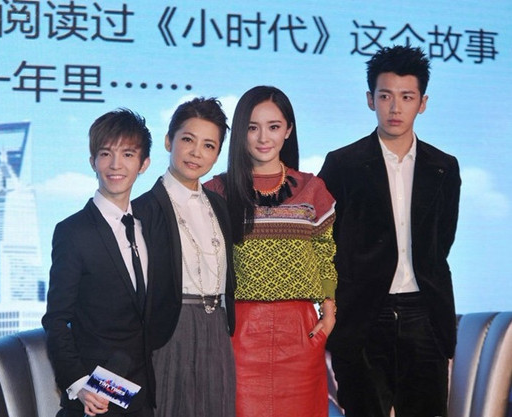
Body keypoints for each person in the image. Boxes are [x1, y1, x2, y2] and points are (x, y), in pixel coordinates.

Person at [318, 45, 461, 417]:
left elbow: (441, 242)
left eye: (407, 97)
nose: (395, 107)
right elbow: (322, 242)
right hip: (363, 315)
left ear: (422, 103)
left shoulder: (444, 167)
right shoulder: (343, 164)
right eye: (385, 96)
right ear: (370, 100)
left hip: (424, 314)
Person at [205, 85, 337, 417]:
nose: (264, 137)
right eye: (253, 127)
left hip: (300, 334)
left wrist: (329, 309)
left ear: (288, 130)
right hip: (239, 333)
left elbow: (326, 253)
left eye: (274, 126)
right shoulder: (216, 191)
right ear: (240, 133)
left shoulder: (312, 188)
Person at [42, 109, 155, 417]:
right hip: (97, 397)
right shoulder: (73, 231)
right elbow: (56, 320)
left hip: (146, 396)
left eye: (127, 154)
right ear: (93, 161)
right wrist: (80, 385)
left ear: (144, 163)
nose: (115, 164)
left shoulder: (148, 227)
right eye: (106, 154)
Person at [132, 97, 236, 417]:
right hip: (169, 331)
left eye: (209, 145)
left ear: (217, 154)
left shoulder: (220, 206)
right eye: (188, 140)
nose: (196, 152)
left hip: (216, 328)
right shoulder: (142, 210)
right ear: (168, 141)